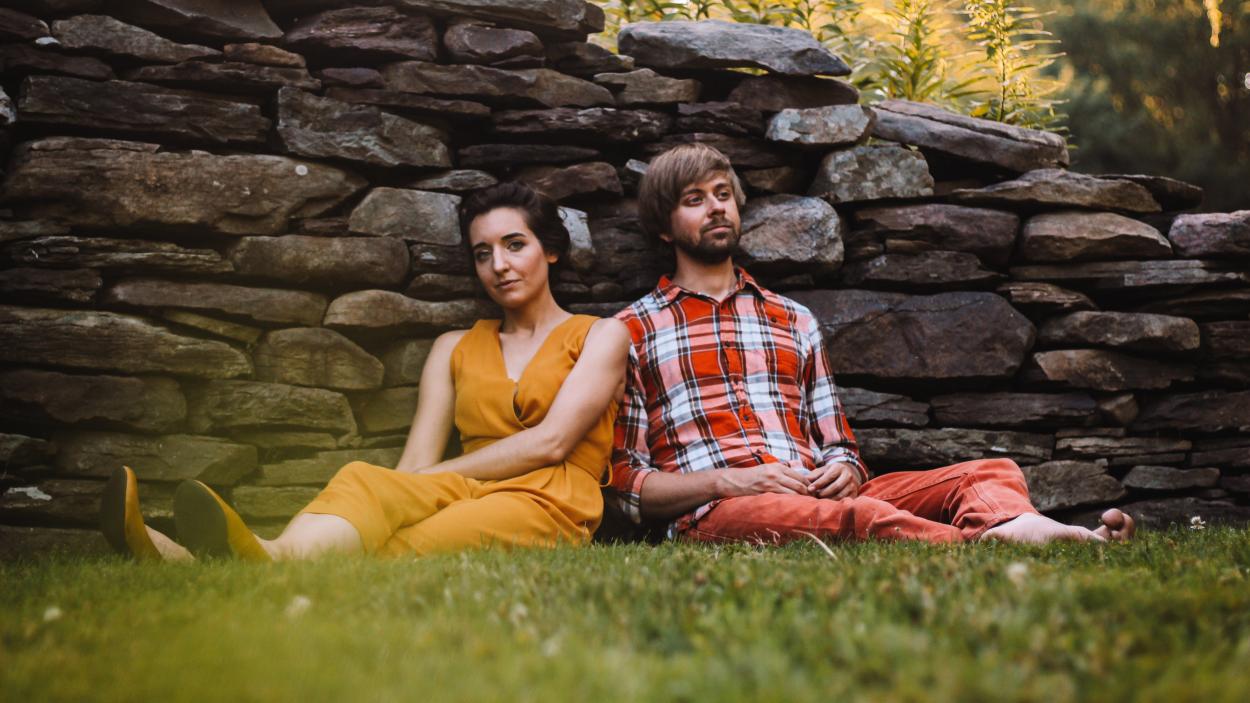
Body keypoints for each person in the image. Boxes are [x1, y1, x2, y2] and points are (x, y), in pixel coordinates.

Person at [607, 143, 1136, 546]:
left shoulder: (791, 318)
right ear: (664, 228)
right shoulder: (630, 331)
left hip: (818, 492)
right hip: (720, 512)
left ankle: (1017, 526)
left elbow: (840, 446)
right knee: (855, 519)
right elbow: (629, 485)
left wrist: (844, 469)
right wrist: (730, 482)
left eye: (723, 195)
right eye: (694, 201)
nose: (716, 209)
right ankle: (1005, 543)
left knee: (989, 471)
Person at [100, 182, 630, 561]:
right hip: (464, 487)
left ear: (551, 252)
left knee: (413, 542)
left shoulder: (601, 335)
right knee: (363, 480)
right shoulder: (454, 347)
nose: (499, 265)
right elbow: (415, 464)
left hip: (548, 501)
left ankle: (220, 567)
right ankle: (270, 555)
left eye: (515, 245)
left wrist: (419, 485)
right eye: (482, 253)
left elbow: (552, 443)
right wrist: (387, 492)